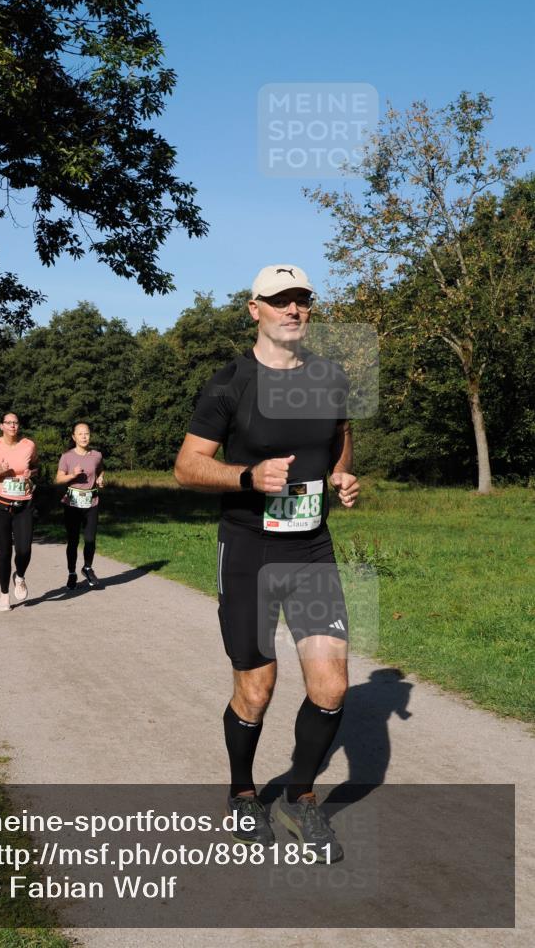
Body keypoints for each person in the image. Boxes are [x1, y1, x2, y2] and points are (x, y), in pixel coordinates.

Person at [174, 264, 360, 861]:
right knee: (257, 688)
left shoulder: (330, 377)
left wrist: (340, 475)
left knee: (331, 685)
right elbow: (186, 466)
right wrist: (247, 476)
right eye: (280, 300)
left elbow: (340, 435)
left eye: (302, 299)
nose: (294, 309)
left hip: (311, 547)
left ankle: (299, 799)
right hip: (249, 548)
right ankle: (243, 791)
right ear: (254, 309)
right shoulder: (229, 383)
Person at [0, 412, 37, 611]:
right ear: (1, 426)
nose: (13, 426)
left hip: (24, 505)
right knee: (4, 552)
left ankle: (19, 576)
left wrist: (31, 475)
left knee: (24, 549)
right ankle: (4, 594)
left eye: (15, 423)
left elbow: (36, 467)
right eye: (8, 423)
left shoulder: (28, 445)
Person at [55, 422, 105, 589]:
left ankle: (87, 567)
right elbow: (58, 479)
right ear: (74, 437)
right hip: (72, 504)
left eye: (87, 434)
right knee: (73, 540)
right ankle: (72, 573)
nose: (84, 437)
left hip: (91, 502)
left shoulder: (96, 455)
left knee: (90, 539)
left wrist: (100, 478)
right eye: (81, 434)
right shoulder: (67, 456)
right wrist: (72, 475)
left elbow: (100, 469)